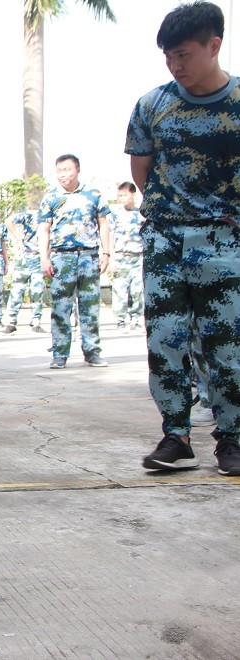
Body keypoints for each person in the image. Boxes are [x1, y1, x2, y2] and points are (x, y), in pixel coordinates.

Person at [127, 1, 240, 476]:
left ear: (214, 45)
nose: (176, 66)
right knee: (166, 341)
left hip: (225, 242)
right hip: (166, 242)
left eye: (184, 54)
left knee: (227, 343)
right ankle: (176, 435)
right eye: (168, 57)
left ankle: (232, 438)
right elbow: (141, 171)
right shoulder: (153, 105)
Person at [37, 154, 111, 369]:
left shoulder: (93, 195)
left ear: (77, 170)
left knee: (90, 307)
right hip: (62, 257)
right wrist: (44, 258)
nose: (63, 175)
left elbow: (103, 224)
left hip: (89, 256)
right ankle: (60, 353)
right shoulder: (51, 197)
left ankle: (92, 351)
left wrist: (106, 254)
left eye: (67, 170)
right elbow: (44, 229)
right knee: (61, 307)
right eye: (60, 170)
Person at [4, 203, 46, 334]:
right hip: (25, 256)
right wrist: (18, 238)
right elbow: (8, 221)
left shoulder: (48, 216)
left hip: (39, 257)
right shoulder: (28, 215)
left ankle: (36, 321)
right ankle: (11, 321)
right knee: (17, 290)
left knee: (37, 290)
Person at [108, 182, 145, 331]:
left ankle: (135, 318)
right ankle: (120, 319)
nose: (121, 198)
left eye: (124, 195)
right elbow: (110, 235)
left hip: (138, 256)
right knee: (119, 289)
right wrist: (111, 258)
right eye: (119, 195)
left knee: (138, 290)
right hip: (121, 256)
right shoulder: (115, 213)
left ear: (133, 194)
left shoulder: (142, 213)